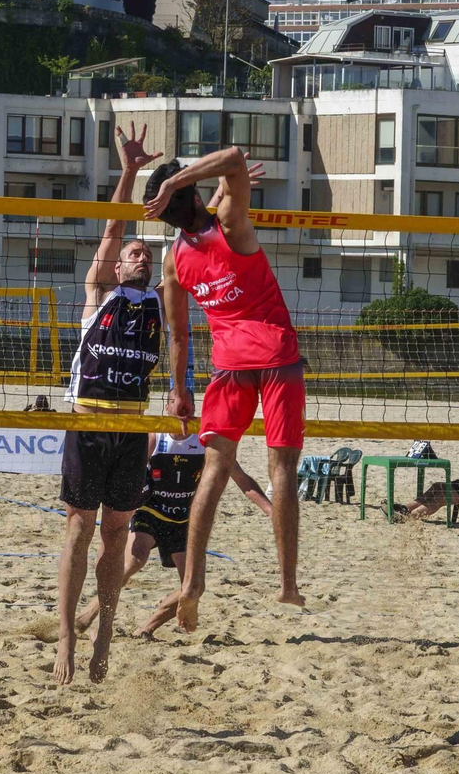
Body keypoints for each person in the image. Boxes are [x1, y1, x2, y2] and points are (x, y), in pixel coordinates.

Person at [145, 147, 305, 631]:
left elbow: (177, 335)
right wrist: (180, 184)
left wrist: (178, 390)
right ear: (191, 191)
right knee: (281, 468)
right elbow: (234, 156)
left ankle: (192, 583)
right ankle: (287, 584)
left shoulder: (173, 260)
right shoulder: (232, 225)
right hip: (277, 357)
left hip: (228, 366)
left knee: (213, 473)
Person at [54, 122, 163, 685]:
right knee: (79, 529)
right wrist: (129, 172)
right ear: (118, 265)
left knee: (116, 536)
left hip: (133, 429)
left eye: (147, 253)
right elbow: (114, 228)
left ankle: (104, 633)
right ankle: (68, 635)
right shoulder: (101, 293)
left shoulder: (162, 305)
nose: (139, 255)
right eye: (133, 252)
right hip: (88, 420)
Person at [74, 430, 272, 639]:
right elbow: (130, 471)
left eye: (187, 407)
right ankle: (89, 616)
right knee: (133, 561)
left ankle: (146, 629)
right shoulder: (156, 437)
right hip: (152, 510)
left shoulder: (206, 442)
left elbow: (242, 479)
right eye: (175, 405)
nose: (182, 416)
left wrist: (271, 510)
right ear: (168, 408)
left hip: (185, 520)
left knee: (195, 586)